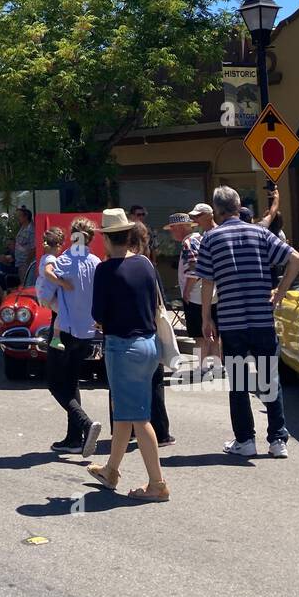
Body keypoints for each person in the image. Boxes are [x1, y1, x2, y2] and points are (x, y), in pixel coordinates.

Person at [195, 185, 299, 459]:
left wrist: (206, 318)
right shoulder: (260, 233)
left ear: (217, 210)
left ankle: (245, 440)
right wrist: (279, 292)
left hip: (232, 322)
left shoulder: (211, 238)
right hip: (261, 318)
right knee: (270, 378)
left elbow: (207, 282)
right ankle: (278, 440)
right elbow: (296, 259)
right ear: (238, 204)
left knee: (240, 382)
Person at [87, 208, 169, 501]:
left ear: (108, 239)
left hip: (123, 347)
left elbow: (98, 314)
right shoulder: (146, 264)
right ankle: (111, 469)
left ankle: (157, 484)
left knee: (137, 417)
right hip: (148, 344)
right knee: (125, 412)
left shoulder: (106, 270)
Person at [45, 218, 102, 457]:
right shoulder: (96, 262)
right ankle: (74, 438)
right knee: (71, 381)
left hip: (65, 329)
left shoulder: (65, 261)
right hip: (87, 332)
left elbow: (45, 290)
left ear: (72, 236)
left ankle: (84, 424)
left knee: (55, 382)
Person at [130, 221, 174, 447]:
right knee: (155, 382)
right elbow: (160, 301)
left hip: (126, 334)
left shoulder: (117, 265)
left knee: (125, 385)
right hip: (151, 330)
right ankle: (161, 431)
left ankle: (128, 430)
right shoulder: (149, 267)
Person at [168, 204, 218, 378]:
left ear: (181, 228)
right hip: (210, 293)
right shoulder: (201, 238)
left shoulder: (189, 242)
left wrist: (187, 291)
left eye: (172, 229)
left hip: (197, 295)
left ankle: (203, 367)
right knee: (213, 331)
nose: (171, 233)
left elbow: (195, 268)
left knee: (199, 334)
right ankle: (217, 365)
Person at [36, 227, 64, 350]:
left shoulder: (44, 257)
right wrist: (62, 282)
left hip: (43, 292)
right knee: (64, 312)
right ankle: (55, 338)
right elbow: (48, 272)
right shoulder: (51, 259)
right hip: (47, 294)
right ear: (58, 245)